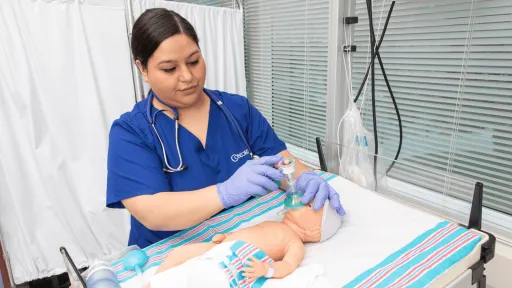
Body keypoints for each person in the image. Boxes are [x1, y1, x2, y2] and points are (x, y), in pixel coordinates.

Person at [106, 8, 345, 249]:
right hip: (169, 252)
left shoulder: (235, 109)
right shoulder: (130, 132)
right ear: (143, 69)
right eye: (169, 69)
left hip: (239, 239)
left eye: (193, 61)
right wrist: (225, 192)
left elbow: (281, 159)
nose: (188, 76)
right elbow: (152, 212)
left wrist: (304, 178)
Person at [148, 198, 342, 288]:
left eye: (309, 205)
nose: (301, 199)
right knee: (178, 254)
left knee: (191, 277)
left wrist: (267, 270)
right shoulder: (274, 224)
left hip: (233, 262)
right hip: (221, 248)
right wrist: (226, 236)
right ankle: (152, 283)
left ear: (313, 231)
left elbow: (288, 265)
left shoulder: (294, 242)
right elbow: (248, 233)